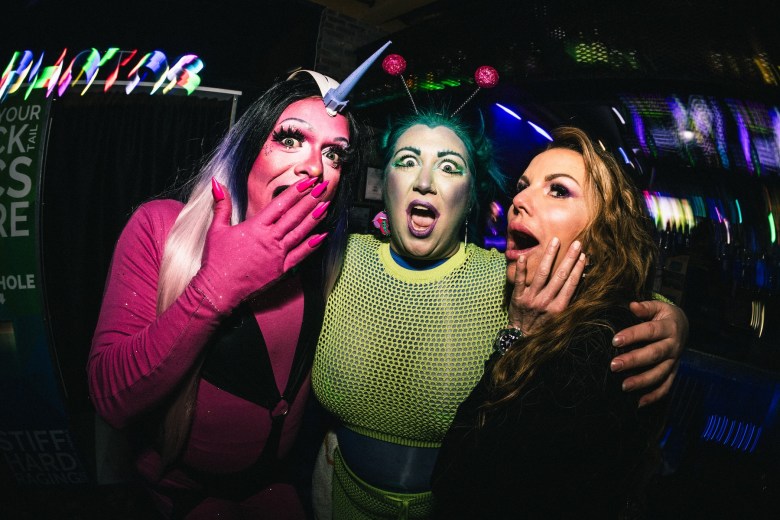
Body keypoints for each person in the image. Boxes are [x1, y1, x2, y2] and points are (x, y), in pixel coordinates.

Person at [311, 111, 687, 518]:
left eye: (449, 168)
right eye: (406, 161)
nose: (423, 181)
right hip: (336, 494)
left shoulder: (508, 279)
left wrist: (673, 320)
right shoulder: (340, 257)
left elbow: (608, 292)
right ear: (383, 183)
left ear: (471, 196)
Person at [86, 54, 382, 518]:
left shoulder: (326, 260)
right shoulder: (161, 229)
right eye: (291, 139)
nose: (315, 168)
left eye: (334, 153)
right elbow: (110, 399)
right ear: (247, 149)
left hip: (276, 493)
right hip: (179, 499)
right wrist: (214, 288)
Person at [432, 126, 668, 518]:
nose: (520, 200)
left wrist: (517, 335)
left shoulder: (594, 353)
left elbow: (456, 483)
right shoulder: (584, 325)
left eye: (558, 190)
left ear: (602, 237)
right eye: (522, 186)